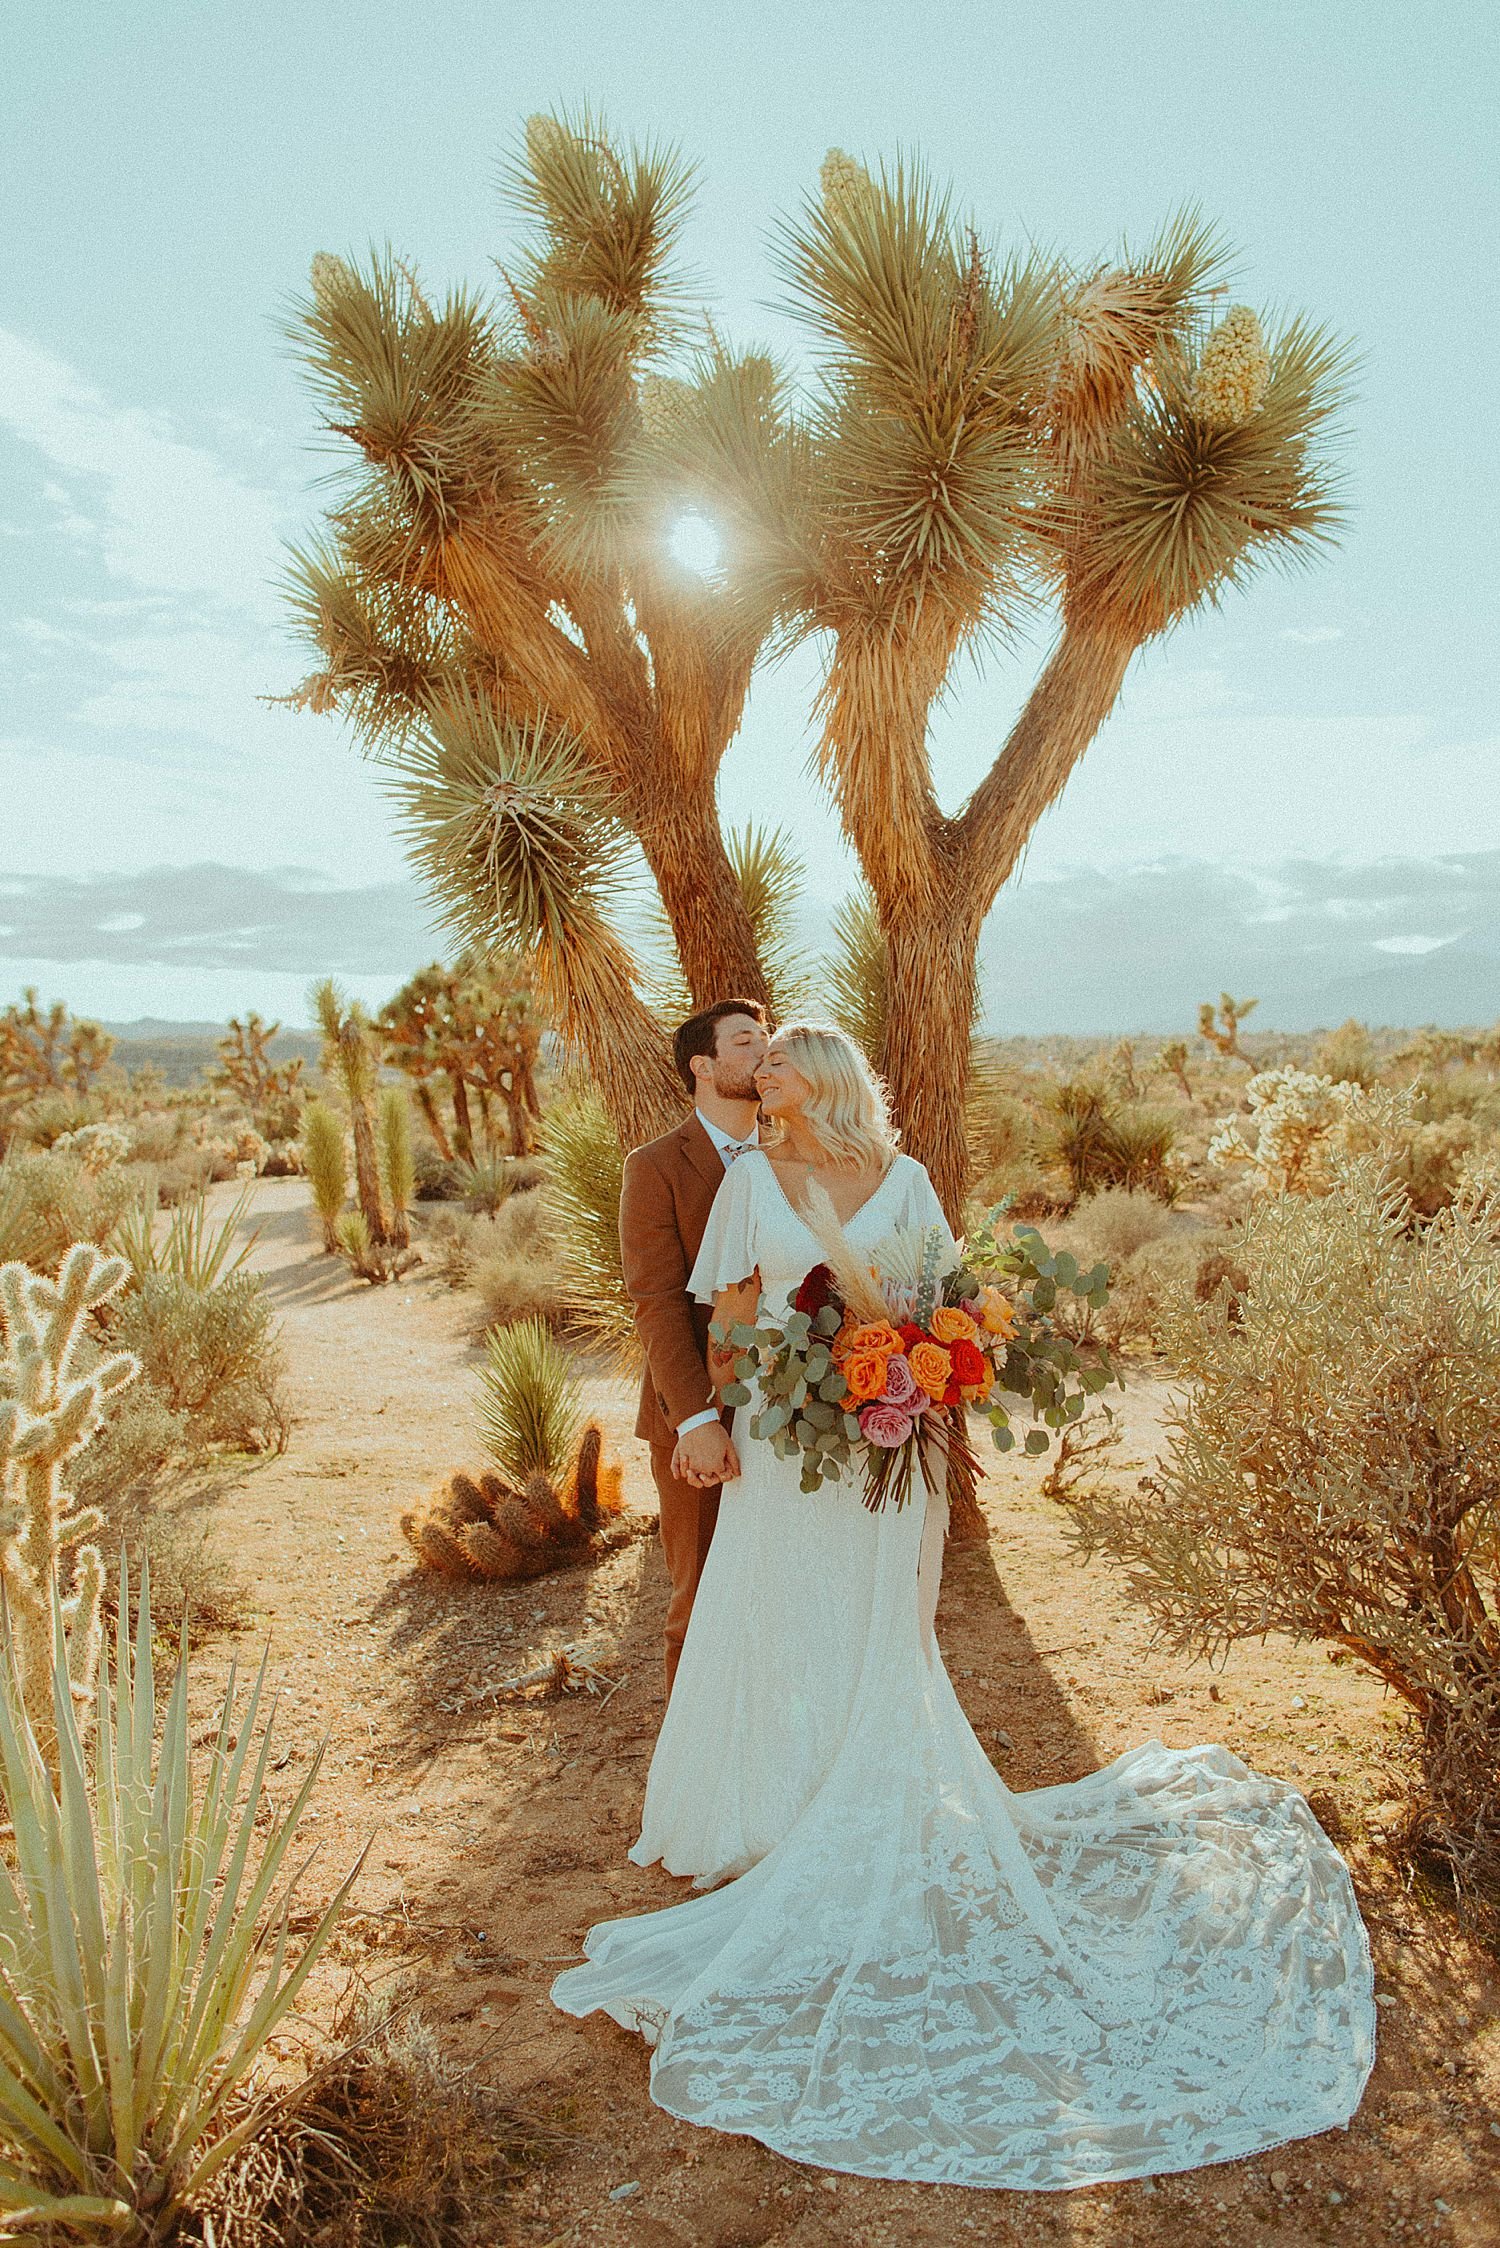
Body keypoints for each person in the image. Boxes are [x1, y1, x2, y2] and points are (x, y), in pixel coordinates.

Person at [554, 1022, 1375, 2192]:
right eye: (756, 1064)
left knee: (878, 1621)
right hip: (792, 1449)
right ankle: (765, 1802)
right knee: (779, 1614)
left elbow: (944, 1302)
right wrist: (767, 1401)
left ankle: (861, 1787)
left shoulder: (909, 1182)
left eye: (778, 1063)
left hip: (898, 1447)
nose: (762, 1077)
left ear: (824, 1075)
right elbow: (730, 1325)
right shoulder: (751, 1180)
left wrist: (907, 1368)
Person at [618, 997, 769, 1695]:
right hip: (700, 1414)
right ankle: (690, 1773)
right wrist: (698, 1420)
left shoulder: (795, 1151)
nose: (763, 1049)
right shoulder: (655, 1167)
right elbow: (655, 1303)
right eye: (745, 1041)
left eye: (767, 1037)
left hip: (793, 1412)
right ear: (702, 1066)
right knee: (700, 1594)